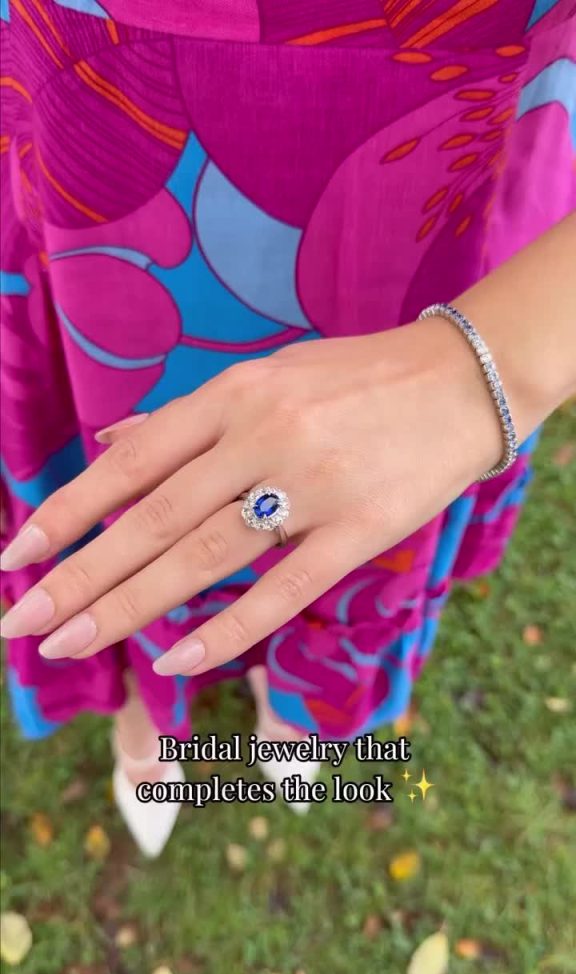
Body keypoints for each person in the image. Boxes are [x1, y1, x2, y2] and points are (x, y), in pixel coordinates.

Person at [1, 0, 574, 856]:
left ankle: (299, 700)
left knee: (374, 495)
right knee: (123, 489)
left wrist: (486, 363)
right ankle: (150, 712)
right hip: (91, 128)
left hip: (461, 145)